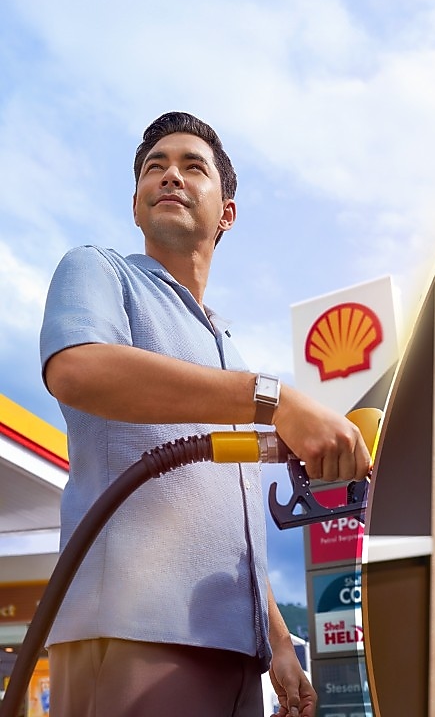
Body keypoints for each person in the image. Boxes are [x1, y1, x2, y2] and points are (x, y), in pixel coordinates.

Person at [38, 112, 371, 717]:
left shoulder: (228, 350)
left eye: (193, 167)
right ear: (136, 206)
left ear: (227, 214)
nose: (169, 177)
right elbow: (77, 368)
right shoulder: (100, 269)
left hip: (236, 658)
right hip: (132, 633)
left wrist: (276, 644)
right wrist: (275, 400)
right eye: (153, 168)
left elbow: (232, 519)